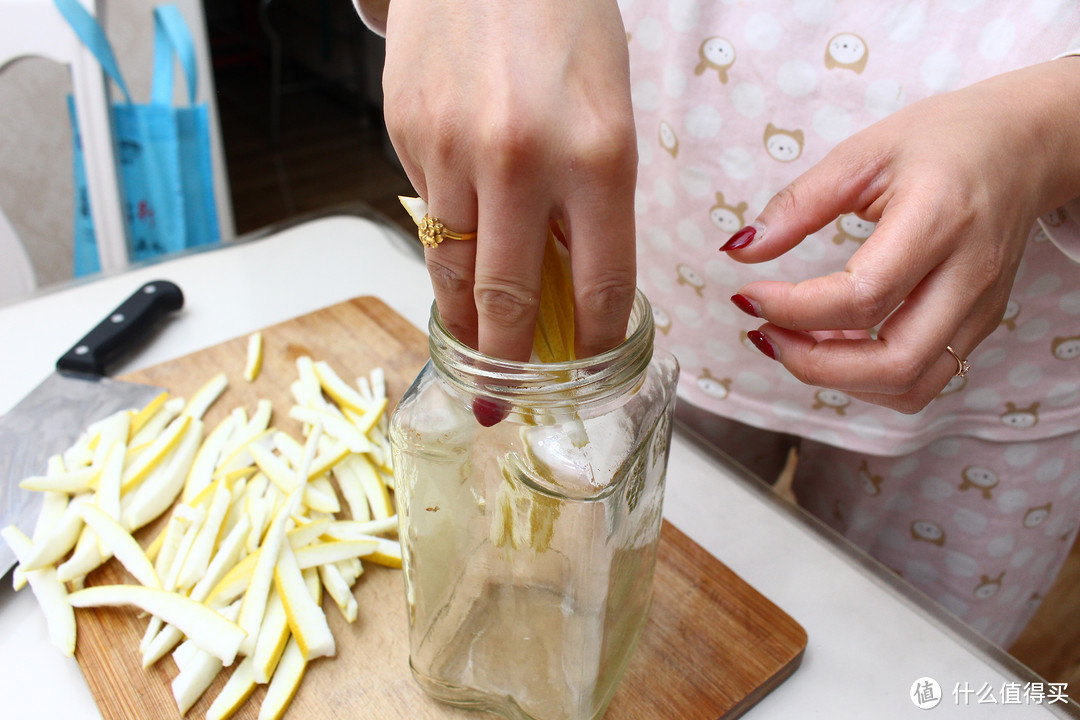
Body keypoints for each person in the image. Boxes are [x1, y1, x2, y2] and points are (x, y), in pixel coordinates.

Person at [355, 1, 1080, 648]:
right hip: (656, 306)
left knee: (914, 668)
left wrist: (1041, 131)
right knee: (670, 628)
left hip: (999, 376)